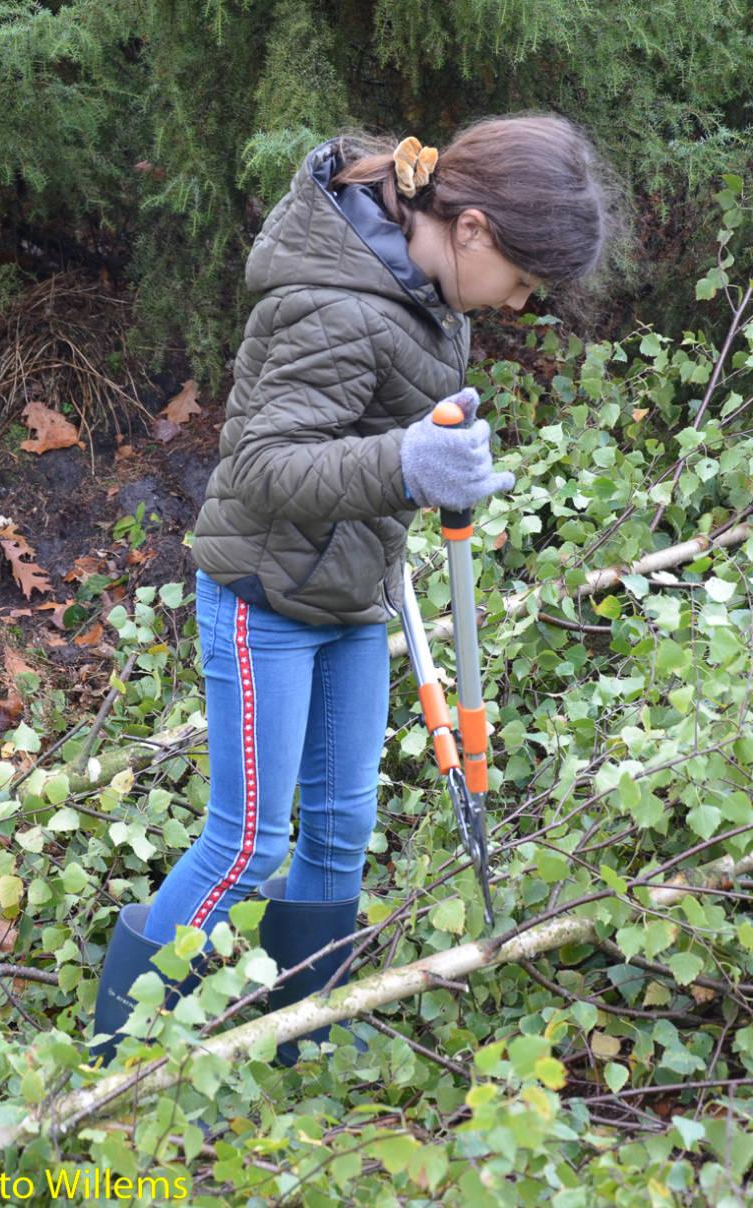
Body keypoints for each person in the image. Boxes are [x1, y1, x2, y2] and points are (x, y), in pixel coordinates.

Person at [91, 114, 614, 1065]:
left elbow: (373, 436)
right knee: (247, 846)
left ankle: (299, 1052)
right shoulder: (333, 303)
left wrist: (427, 455)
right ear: (472, 230)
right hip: (263, 597)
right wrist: (410, 463)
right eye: (526, 280)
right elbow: (260, 466)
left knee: (339, 834)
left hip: (351, 592)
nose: (522, 303)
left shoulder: (425, 291)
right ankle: (107, 1065)